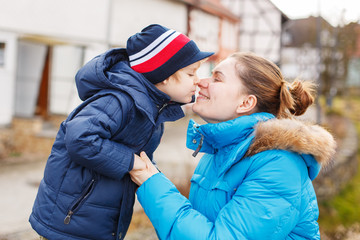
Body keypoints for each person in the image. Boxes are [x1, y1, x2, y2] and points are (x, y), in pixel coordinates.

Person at [29, 24, 213, 240]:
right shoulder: (118, 100)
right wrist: (131, 162)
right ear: (164, 74)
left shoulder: (152, 109)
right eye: (191, 73)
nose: (198, 80)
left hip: (98, 223)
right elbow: (80, 137)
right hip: (70, 224)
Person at [129, 52, 337, 239]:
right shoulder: (221, 151)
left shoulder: (279, 165)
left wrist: (154, 185)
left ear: (246, 103)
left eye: (217, 78)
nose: (201, 82)